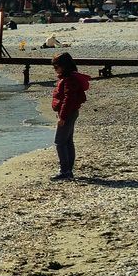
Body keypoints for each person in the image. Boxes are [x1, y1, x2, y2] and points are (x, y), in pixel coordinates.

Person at [50, 52, 90, 181]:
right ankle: (68, 170)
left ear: (64, 66)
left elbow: (68, 99)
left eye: (56, 67)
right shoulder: (68, 78)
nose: (55, 70)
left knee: (60, 142)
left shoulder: (69, 80)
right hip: (70, 112)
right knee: (67, 141)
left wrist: (62, 117)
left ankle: (65, 171)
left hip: (68, 113)